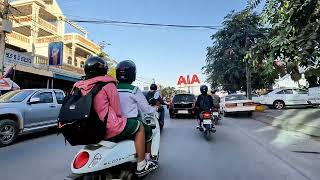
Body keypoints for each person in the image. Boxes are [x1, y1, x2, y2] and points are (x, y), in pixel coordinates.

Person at [73, 57, 157, 176]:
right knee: (142, 128)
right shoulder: (111, 85)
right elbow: (117, 110)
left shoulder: (80, 85)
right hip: (111, 125)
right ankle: (142, 163)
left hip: (88, 125)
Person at [115, 60, 159, 176]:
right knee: (148, 130)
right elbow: (146, 109)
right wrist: (154, 110)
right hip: (130, 122)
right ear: (133, 75)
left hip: (114, 122)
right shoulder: (134, 90)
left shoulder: (112, 89)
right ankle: (145, 161)